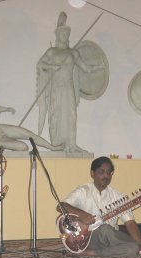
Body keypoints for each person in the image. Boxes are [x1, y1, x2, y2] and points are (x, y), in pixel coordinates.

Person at [57, 156, 141, 257]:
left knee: (133, 248)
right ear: (92, 173)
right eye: (101, 172)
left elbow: (130, 222)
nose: (106, 176)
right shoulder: (83, 191)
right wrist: (81, 214)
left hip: (111, 240)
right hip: (88, 239)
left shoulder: (118, 196)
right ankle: (132, 248)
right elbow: (61, 206)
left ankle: (90, 253)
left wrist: (140, 244)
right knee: (105, 229)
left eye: (109, 173)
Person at [36, 12, 103, 155]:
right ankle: (57, 143)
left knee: (71, 115)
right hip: (56, 88)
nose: (65, 37)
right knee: (56, 114)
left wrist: (98, 67)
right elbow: (40, 64)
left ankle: (72, 144)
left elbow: (85, 68)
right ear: (58, 35)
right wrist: (52, 67)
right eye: (62, 34)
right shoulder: (52, 51)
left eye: (67, 34)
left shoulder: (73, 53)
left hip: (68, 88)